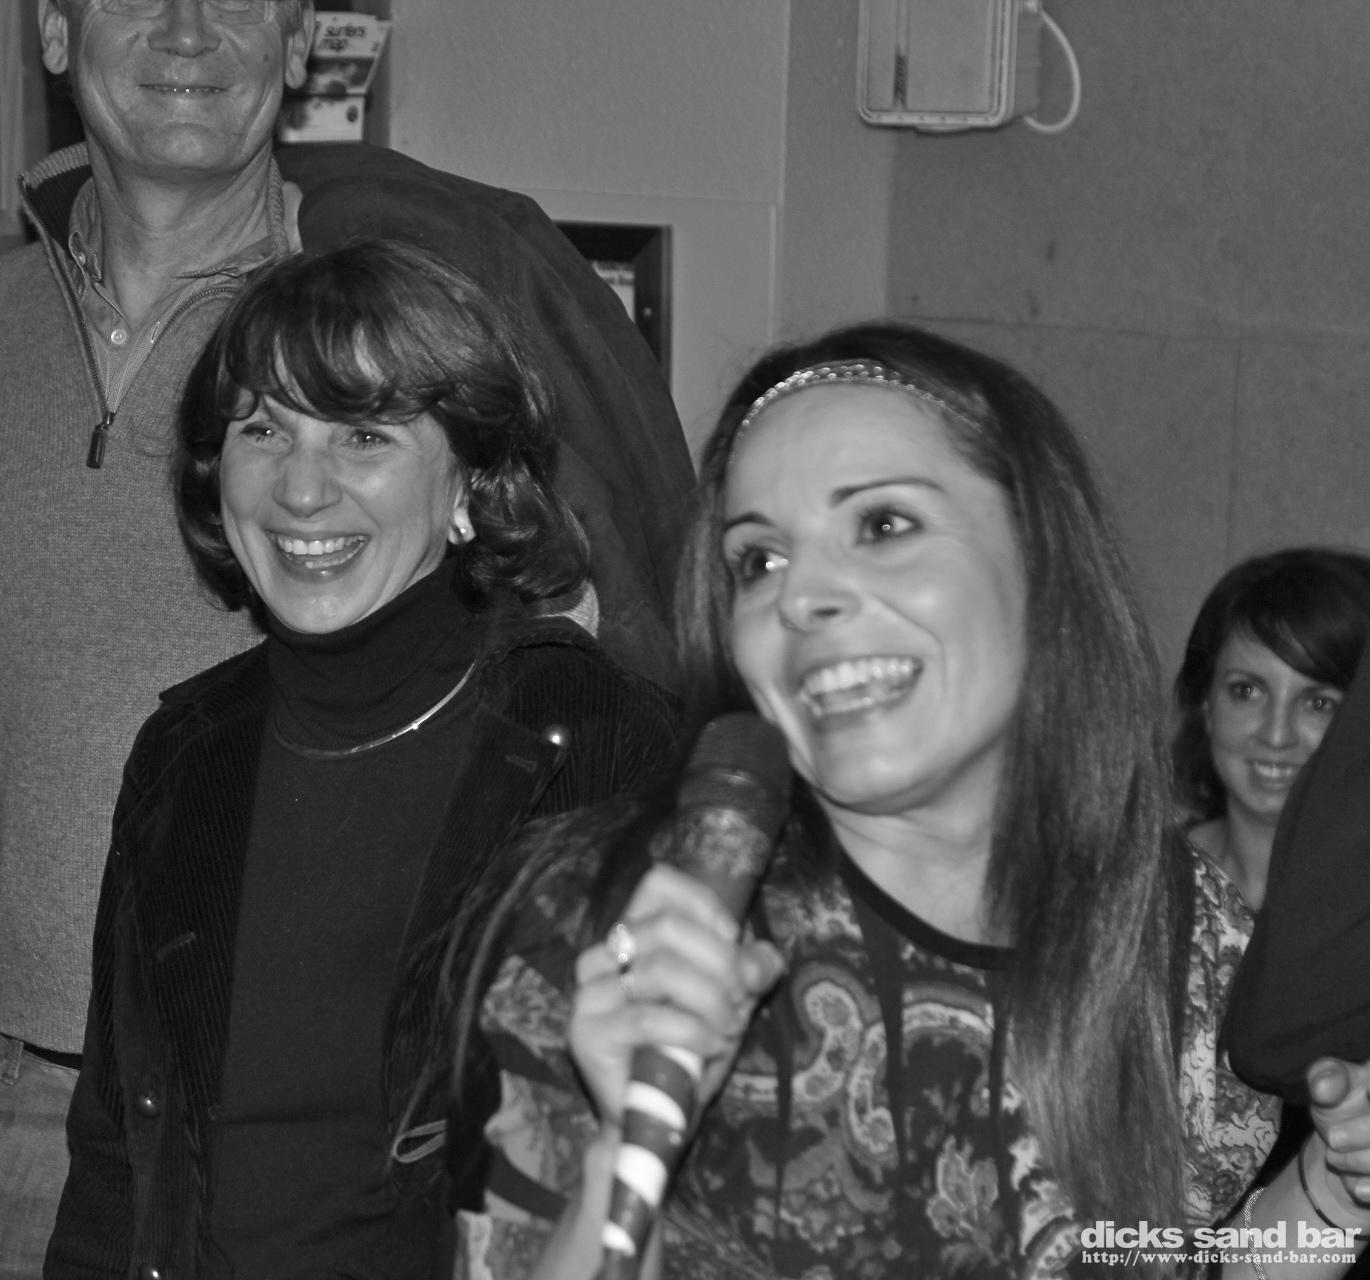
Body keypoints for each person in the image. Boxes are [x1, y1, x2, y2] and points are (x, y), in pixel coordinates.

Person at [446, 323, 1370, 1279]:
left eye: (883, 525)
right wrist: (619, 1153)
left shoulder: (1184, 934)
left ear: (1042, 565)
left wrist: (1331, 1195)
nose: (801, 598)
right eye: (759, 561)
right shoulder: (609, 919)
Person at [0, 0, 692, 1267]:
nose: (187, 28)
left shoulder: (416, 294)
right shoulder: (185, 749)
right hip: (121, 1137)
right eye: (263, 429)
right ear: (51, 32)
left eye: (364, 431)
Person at [1173, 548, 1370, 910]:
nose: (1276, 736)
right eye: (1246, 691)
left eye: (1319, 703)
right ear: (1206, 706)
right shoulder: (1136, 884)